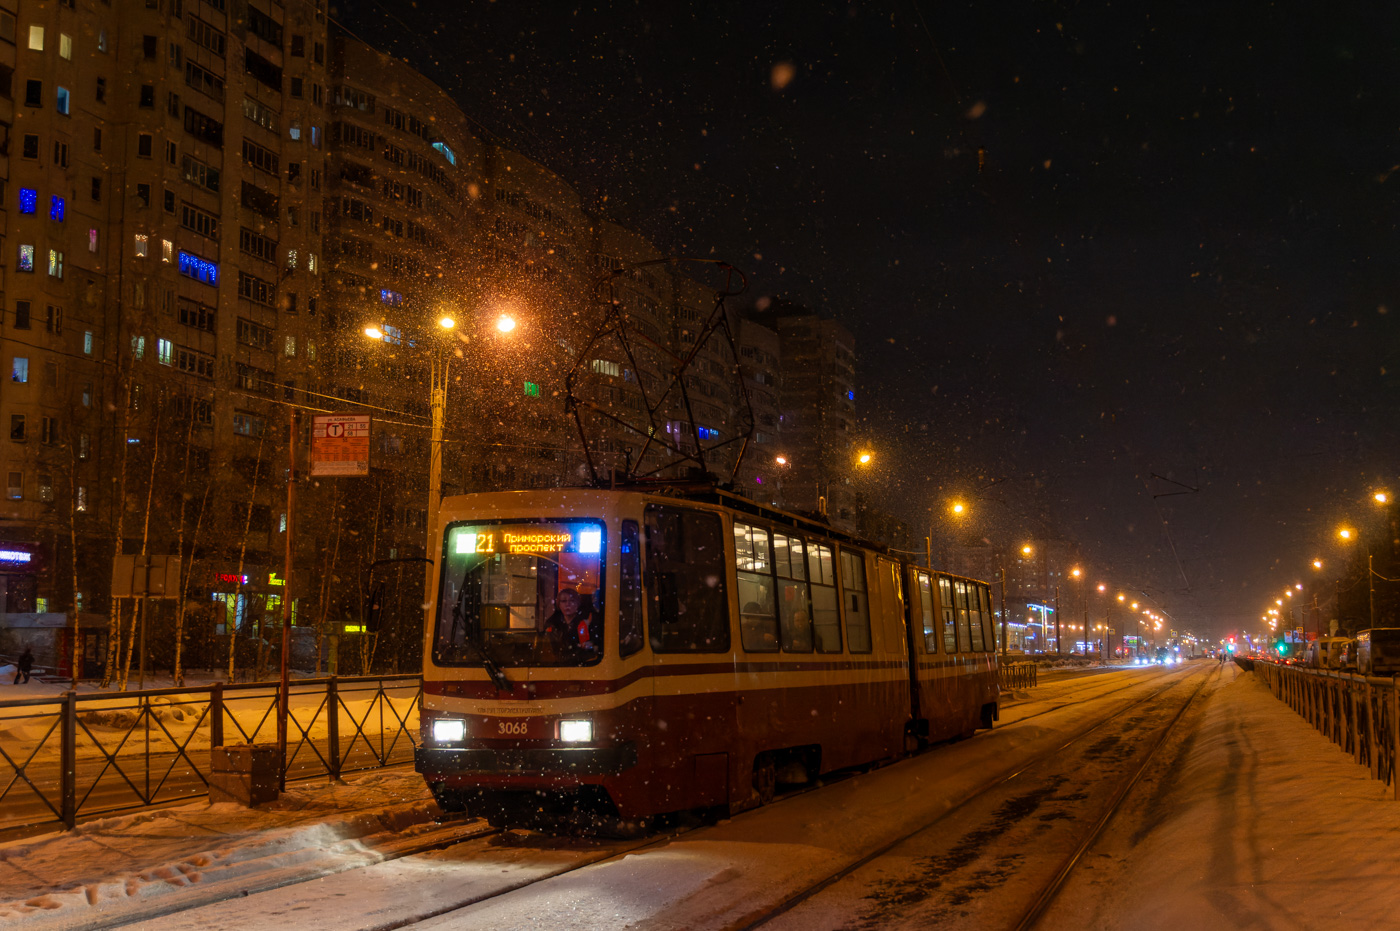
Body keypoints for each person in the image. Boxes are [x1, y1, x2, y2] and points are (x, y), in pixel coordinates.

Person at [544, 588, 601, 652]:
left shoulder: (589, 622)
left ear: (578, 604)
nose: (567, 604)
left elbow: (598, 644)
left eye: (572, 600)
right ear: (558, 604)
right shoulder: (552, 624)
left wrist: (591, 645)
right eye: (563, 601)